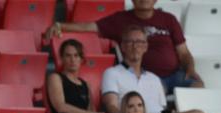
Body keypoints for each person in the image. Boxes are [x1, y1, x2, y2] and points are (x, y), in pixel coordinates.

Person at [47, 0, 203, 93]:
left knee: (198, 85)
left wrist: (190, 69)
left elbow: (183, 52)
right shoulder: (121, 20)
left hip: (175, 74)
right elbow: (90, 27)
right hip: (146, 78)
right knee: (156, 92)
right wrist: (60, 25)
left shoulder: (169, 19)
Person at [101, 25, 213, 113]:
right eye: (130, 42)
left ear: (145, 47)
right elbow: (111, 107)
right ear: (122, 47)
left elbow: (161, 110)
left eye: (140, 42)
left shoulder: (154, 78)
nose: (135, 46)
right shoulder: (112, 72)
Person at [46, 39, 113, 113]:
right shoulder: (56, 78)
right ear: (62, 58)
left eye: (76, 55)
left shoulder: (85, 84)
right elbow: (60, 107)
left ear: (81, 59)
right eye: (68, 55)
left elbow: (92, 111)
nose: (72, 60)